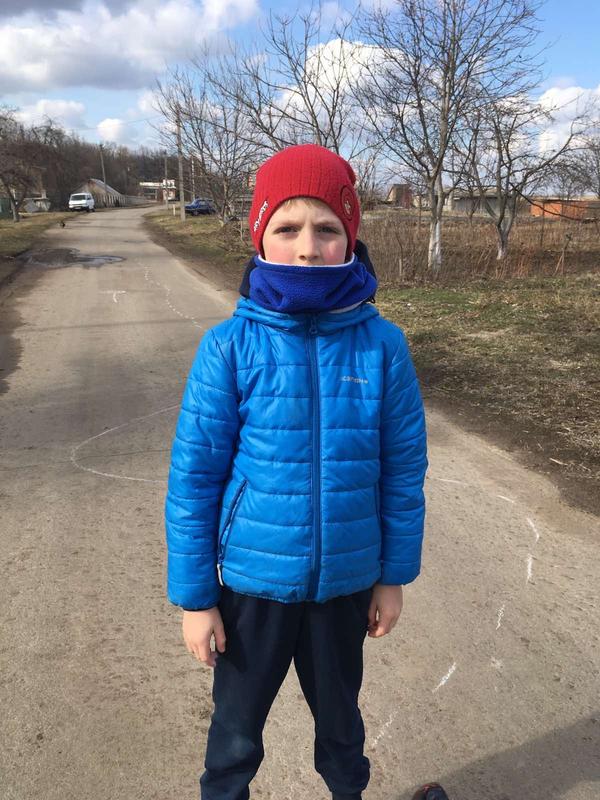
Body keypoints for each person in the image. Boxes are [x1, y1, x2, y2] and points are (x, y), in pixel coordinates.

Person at [165, 143, 429, 800]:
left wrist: (392, 577)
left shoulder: (383, 347)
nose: (308, 248)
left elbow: (403, 473)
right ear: (259, 234)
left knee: (342, 731)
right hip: (252, 590)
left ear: (350, 237)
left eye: (326, 228)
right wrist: (197, 600)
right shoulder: (229, 347)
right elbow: (193, 482)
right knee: (234, 737)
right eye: (287, 227)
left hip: (346, 584)